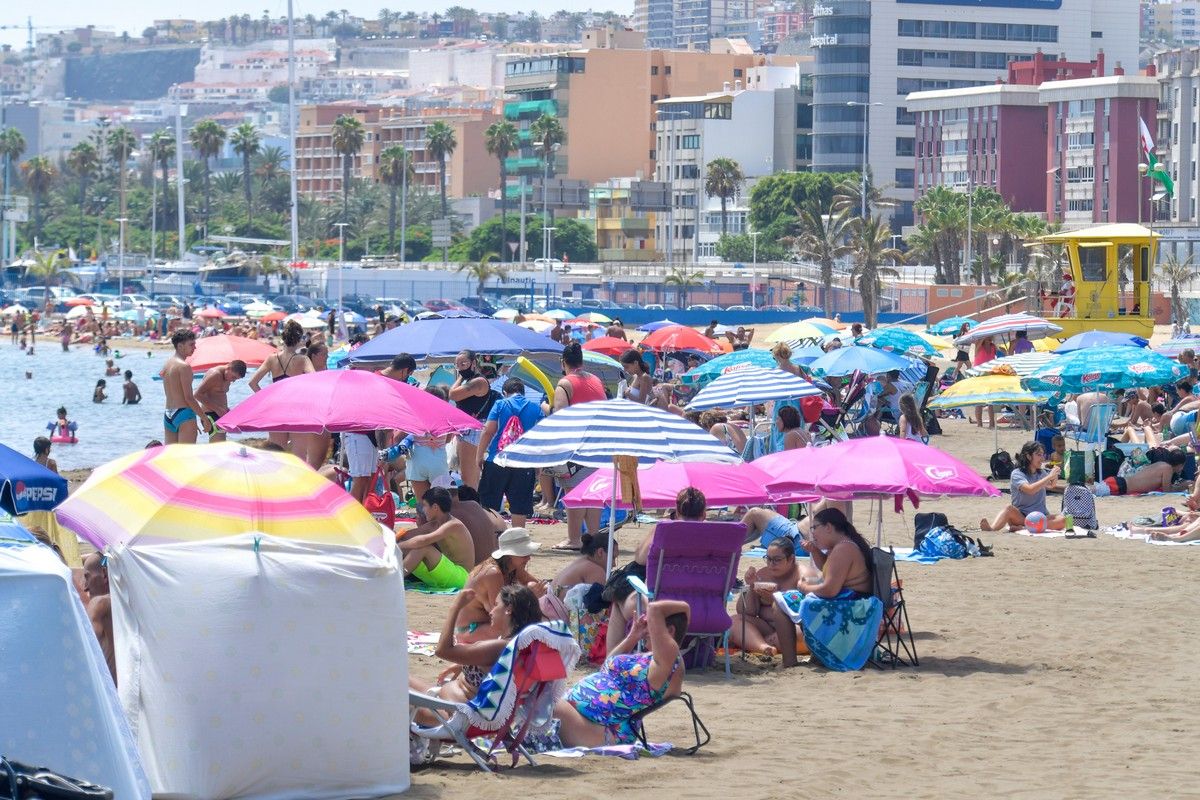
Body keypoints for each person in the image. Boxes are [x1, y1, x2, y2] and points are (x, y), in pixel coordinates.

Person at [553, 598, 689, 747]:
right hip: (581, 718)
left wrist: (681, 605)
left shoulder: (668, 661)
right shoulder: (648, 657)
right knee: (538, 698)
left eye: (650, 624)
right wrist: (633, 635)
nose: (646, 632)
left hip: (603, 730)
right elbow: (608, 667)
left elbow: (656, 609)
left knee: (540, 700)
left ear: (669, 631)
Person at [410, 585, 543, 711]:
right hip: (455, 706)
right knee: (402, 679)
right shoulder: (522, 645)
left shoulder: (499, 647)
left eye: (496, 605)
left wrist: (455, 607)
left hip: (451, 716)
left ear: (509, 609)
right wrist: (462, 665)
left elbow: (442, 650)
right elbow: (491, 670)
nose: (491, 611)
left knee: (393, 689)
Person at [554, 342, 607, 551]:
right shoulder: (595, 380)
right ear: (582, 361)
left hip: (576, 445)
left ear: (563, 362)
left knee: (573, 491)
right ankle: (592, 536)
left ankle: (574, 539)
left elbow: (561, 417)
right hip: (598, 444)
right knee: (593, 493)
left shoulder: (565, 383)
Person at [455, 527, 544, 642]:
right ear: (509, 555)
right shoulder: (493, 573)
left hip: (488, 624)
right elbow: (500, 616)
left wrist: (544, 589)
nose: (528, 558)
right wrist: (531, 597)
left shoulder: (513, 567)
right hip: (470, 629)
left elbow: (536, 583)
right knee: (518, 631)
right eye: (524, 554)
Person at [478, 377, 545, 528]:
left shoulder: (500, 404)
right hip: (524, 463)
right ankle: (517, 545)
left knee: (490, 506)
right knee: (519, 508)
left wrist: (479, 455)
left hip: (496, 461)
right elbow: (540, 439)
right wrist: (538, 464)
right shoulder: (536, 408)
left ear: (504, 392)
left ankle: (492, 542)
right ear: (523, 393)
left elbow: (488, 431)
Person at [729, 538, 806, 664]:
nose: (771, 564)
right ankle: (763, 647)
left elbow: (806, 612)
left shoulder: (801, 575)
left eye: (777, 560)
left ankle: (753, 641)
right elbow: (746, 612)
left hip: (793, 628)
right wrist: (752, 587)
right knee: (734, 621)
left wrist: (776, 600)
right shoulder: (763, 574)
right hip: (767, 627)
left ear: (791, 559)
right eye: (768, 559)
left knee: (799, 634)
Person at [248, 320, 312, 451]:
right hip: (296, 408)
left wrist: (266, 400)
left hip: (276, 408)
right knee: (299, 455)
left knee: (277, 453)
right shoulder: (303, 359)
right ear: (299, 339)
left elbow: (253, 383)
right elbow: (315, 379)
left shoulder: (272, 358)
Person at [397, 487, 474, 590]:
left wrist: (396, 546)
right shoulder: (434, 524)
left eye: (424, 506)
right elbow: (407, 536)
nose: (423, 510)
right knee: (405, 547)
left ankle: (394, 578)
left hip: (461, 578)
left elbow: (423, 541)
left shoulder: (454, 525)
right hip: (445, 574)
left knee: (424, 548)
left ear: (435, 507)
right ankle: (387, 574)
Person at [981, 441, 1066, 531]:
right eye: (1039, 455)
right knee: (1008, 509)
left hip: (1041, 516)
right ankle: (992, 528)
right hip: (1022, 516)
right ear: (1029, 456)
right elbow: (1030, 490)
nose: (1042, 458)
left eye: (1042, 455)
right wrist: (1049, 476)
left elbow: (1051, 485)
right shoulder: (1017, 473)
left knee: (1063, 519)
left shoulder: (1041, 473)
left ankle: (1024, 528)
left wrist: (1055, 475)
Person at [449, 350, 494, 490]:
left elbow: (453, 394)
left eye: (464, 364)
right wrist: (462, 375)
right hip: (468, 428)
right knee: (470, 476)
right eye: (457, 365)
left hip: (473, 429)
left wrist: (460, 377)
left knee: (468, 478)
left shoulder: (478, 381)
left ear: (474, 363)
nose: (461, 367)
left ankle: (473, 506)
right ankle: (475, 505)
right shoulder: (470, 380)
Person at [160, 329, 213, 444]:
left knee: (170, 457)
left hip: (168, 414)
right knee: (186, 457)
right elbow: (188, 397)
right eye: (191, 344)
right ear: (180, 346)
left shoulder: (167, 364)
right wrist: (204, 418)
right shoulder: (184, 367)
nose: (194, 347)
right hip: (184, 413)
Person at [82, 553, 116, 685]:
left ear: (104, 574)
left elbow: (85, 646)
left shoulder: (99, 604)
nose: (85, 586)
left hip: (109, 695)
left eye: (87, 577)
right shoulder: (132, 603)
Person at [194, 360, 247, 443]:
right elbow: (197, 394)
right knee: (218, 448)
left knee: (220, 446)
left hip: (219, 413)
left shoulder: (226, 375)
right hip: (211, 415)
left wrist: (226, 409)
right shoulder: (215, 375)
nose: (233, 381)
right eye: (233, 377)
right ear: (228, 368)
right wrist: (218, 409)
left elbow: (219, 395)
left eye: (236, 379)